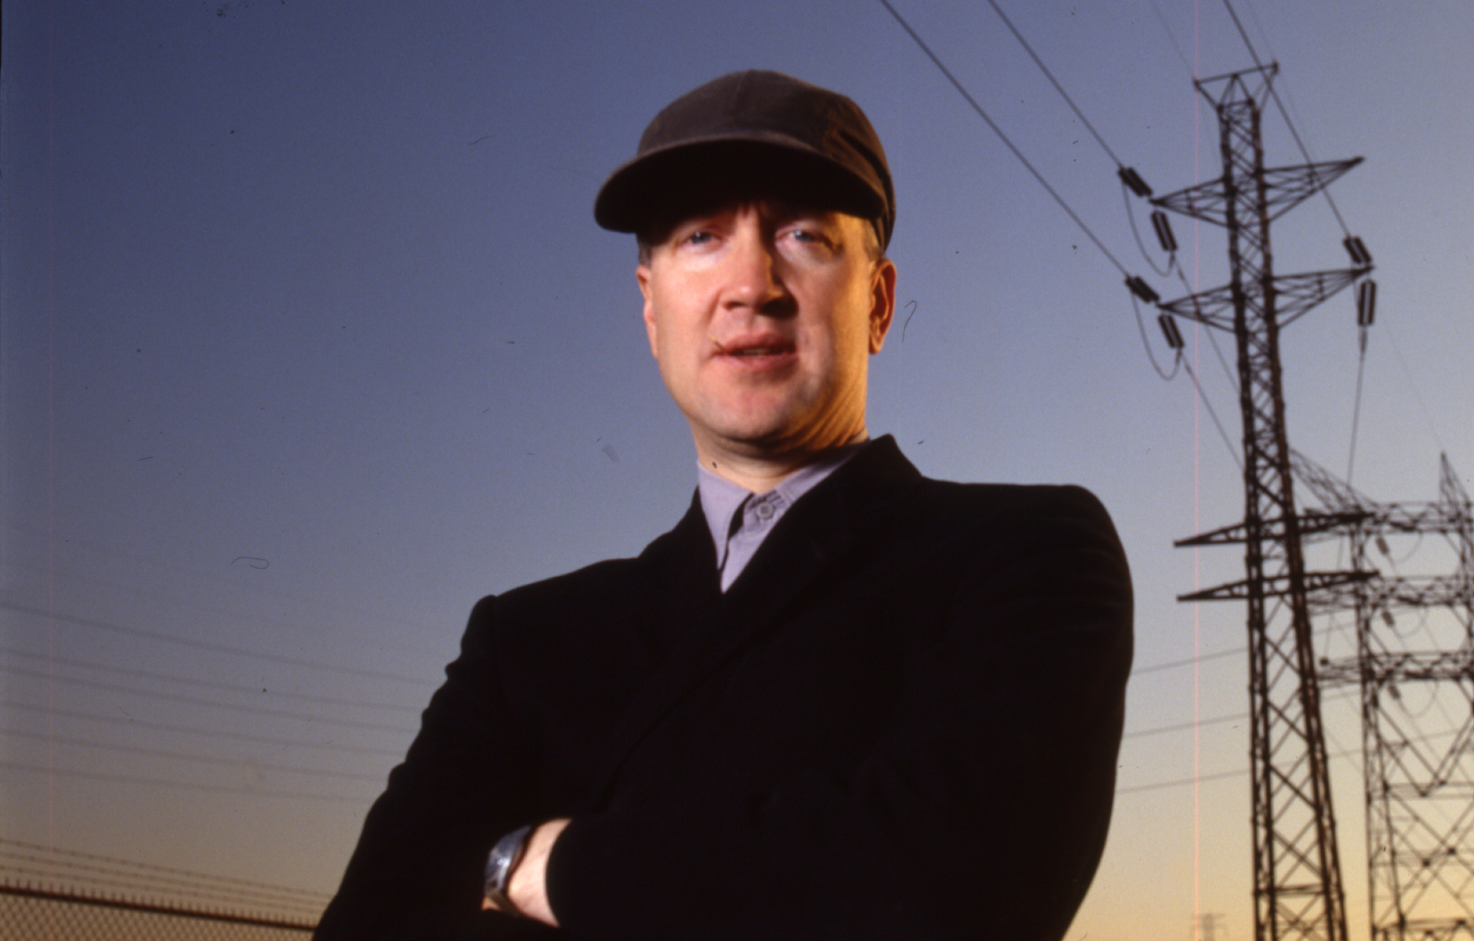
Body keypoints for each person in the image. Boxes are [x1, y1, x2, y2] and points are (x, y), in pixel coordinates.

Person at [316, 69, 1133, 941]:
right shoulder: (523, 641)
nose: (752, 283)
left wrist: (546, 864)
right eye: (701, 234)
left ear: (880, 303)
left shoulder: (1026, 553)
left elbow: (942, 890)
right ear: (650, 311)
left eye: (804, 235)